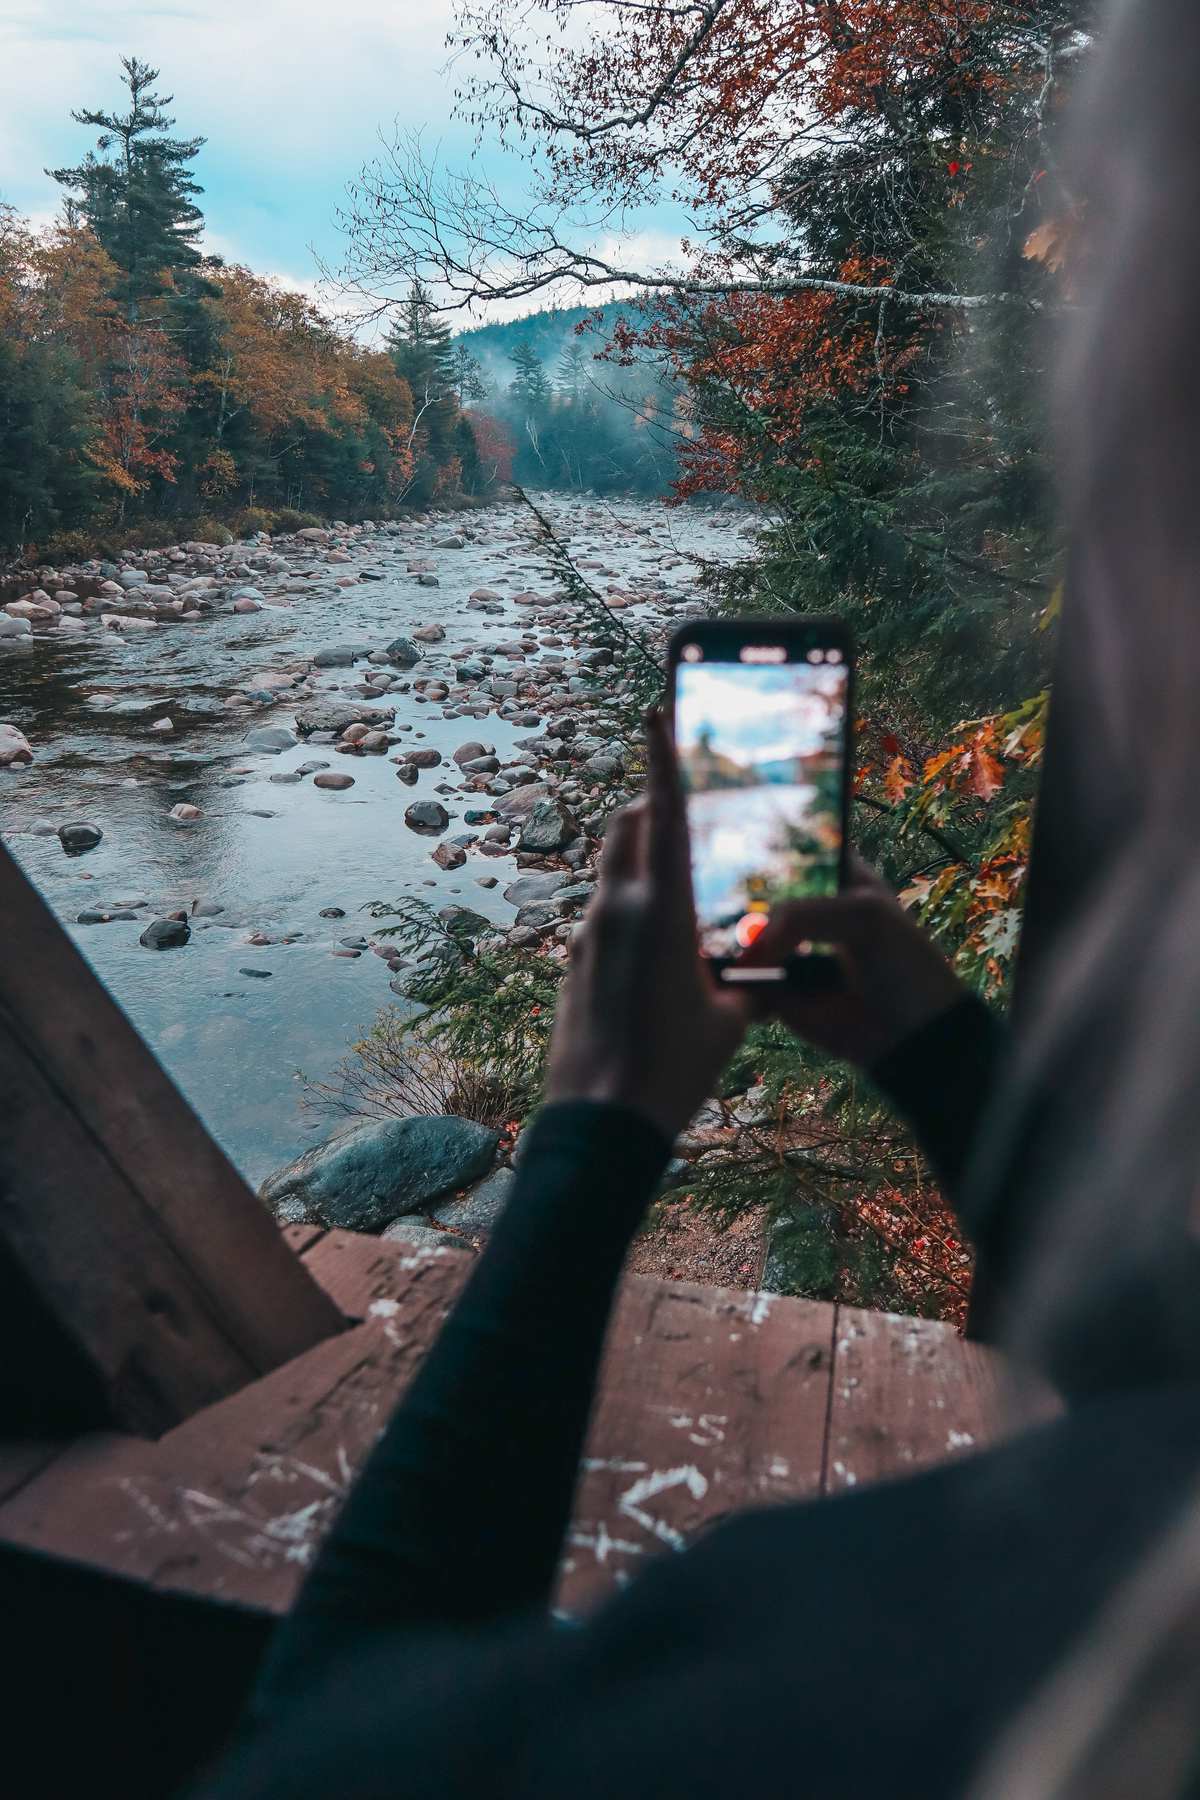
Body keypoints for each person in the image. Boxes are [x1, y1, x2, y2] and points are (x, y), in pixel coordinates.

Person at [196, 1, 1200, 1790]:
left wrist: (598, 1123)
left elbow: (320, 1742)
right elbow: (1164, 1394)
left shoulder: (826, 1680)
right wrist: (928, 1033)